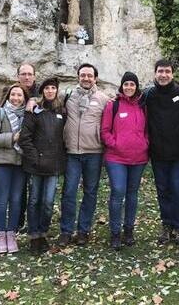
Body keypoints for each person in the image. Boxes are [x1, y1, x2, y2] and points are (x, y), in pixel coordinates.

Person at [58, 63, 109, 247]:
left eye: (89, 75)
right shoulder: (68, 95)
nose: (86, 78)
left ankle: (83, 231)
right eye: (83, 75)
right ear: (78, 77)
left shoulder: (103, 99)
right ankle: (66, 230)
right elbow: (47, 99)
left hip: (94, 152)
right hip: (72, 152)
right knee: (69, 192)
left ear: (95, 78)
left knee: (90, 192)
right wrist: (32, 100)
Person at [101, 72, 148, 250]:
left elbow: (147, 129)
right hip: (116, 157)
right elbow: (105, 130)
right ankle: (115, 232)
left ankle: (128, 230)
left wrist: (145, 143)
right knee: (118, 191)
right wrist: (114, 144)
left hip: (139, 158)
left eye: (132, 84)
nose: (129, 87)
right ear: (122, 86)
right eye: (126, 84)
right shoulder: (113, 105)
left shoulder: (143, 106)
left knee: (132, 194)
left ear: (136, 87)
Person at [144, 59, 179, 245]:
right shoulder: (148, 94)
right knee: (163, 190)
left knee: (178, 190)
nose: (163, 75)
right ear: (155, 73)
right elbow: (130, 101)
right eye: (160, 71)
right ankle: (167, 225)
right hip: (158, 153)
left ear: (172, 74)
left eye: (167, 71)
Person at [18, 77, 66, 254]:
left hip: (53, 165)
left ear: (56, 91)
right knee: (34, 200)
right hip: (36, 164)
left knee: (47, 202)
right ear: (43, 91)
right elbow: (25, 137)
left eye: (53, 88)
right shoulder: (34, 110)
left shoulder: (62, 111)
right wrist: (34, 158)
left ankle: (43, 232)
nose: (50, 91)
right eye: (47, 88)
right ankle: (34, 235)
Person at [0, 83, 29, 254]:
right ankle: (1, 235)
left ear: (24, 97)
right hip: (1, 163)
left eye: (20, 95)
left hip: (20, 163)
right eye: (13, 95)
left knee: (17, 199)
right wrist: (13, 137)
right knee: (2, 199)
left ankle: (11, 234)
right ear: (8, 96)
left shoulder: (27, 115)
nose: (16, 98)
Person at [16, 63, 39, 233]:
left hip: (36, 148)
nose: (26, 77)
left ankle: (33, 221)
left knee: (35, 189)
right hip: (15, 149)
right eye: (23, 74)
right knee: (19, 188)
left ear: (35, 76)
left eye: (30, 74)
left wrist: (34, 99)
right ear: (18, 77)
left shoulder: (40, 91)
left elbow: (50, 99)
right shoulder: (11, 92)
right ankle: (18, 221)